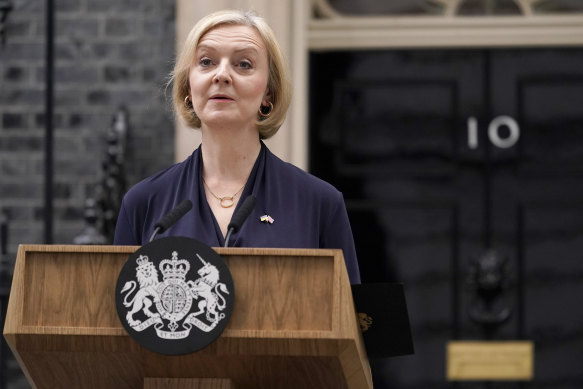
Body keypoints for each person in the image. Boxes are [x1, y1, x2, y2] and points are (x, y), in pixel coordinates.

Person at [113, 10, 361, 284]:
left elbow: (348, 320)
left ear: (269, 93)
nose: (222, 75)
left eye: (243, 64)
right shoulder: (144, 203)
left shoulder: (320, 203)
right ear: (188, 87)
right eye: (206, 62)